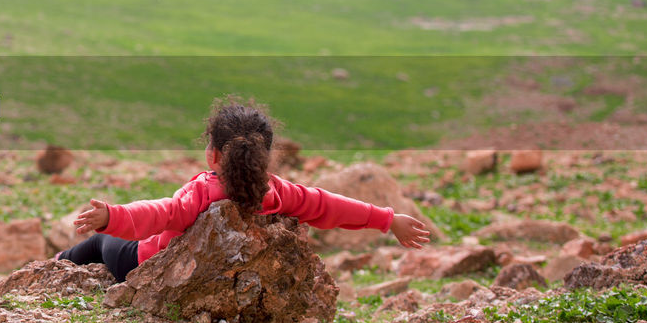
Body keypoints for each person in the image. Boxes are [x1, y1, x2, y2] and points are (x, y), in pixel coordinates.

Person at [58, 98, 432, 282]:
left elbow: (161, 214)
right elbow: (326, 205)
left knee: (96, 246)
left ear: (213, 154)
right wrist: (386, 219)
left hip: (142, 264)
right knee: (99, 246)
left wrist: (112, 216)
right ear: (266, 157)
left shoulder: (205, 192)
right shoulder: (277, 192)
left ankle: (56, 266)